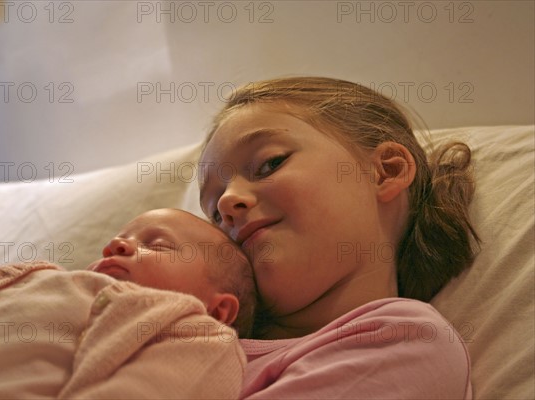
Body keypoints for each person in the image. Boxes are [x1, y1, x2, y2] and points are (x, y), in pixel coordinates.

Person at [198, 77, 480, 399]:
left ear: (385, 171)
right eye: (214, 214)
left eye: (269, 164)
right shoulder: (194, 338)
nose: (226, 203)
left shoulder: (405, 341)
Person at [0, 208, 256, 399]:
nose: (116, 245)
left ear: (217, 312)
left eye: (157, 245)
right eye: (118, 240)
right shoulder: (37, 282)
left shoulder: (197, 334)